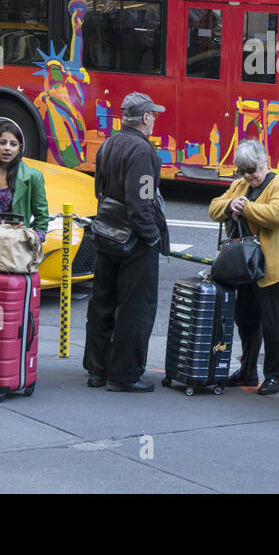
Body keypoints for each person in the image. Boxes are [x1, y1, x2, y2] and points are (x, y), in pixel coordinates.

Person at [85, 92, 169, 392]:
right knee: (135, 307)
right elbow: (141, 203)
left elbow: (100, 188)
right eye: (153, 115)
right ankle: (124, 374)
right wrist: (152, 237)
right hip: (134, 239)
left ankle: (98, 370)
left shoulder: (109, 143)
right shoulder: (143, 152)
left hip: (106, 231)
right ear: (144, 117)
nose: (155, 119)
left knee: (103, 302)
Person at [208, 139, 279, 394]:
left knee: (274, 324)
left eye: (252, 170)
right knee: (246, 319)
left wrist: (246, 207)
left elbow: (277, 215)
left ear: (266, 163)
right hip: (247, 267)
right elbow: (213, 208)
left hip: (278, 267)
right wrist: (230, 205)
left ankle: (274, 376)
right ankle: (248, 371)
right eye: (242, 171)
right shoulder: (239, 185)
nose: (248, 176)